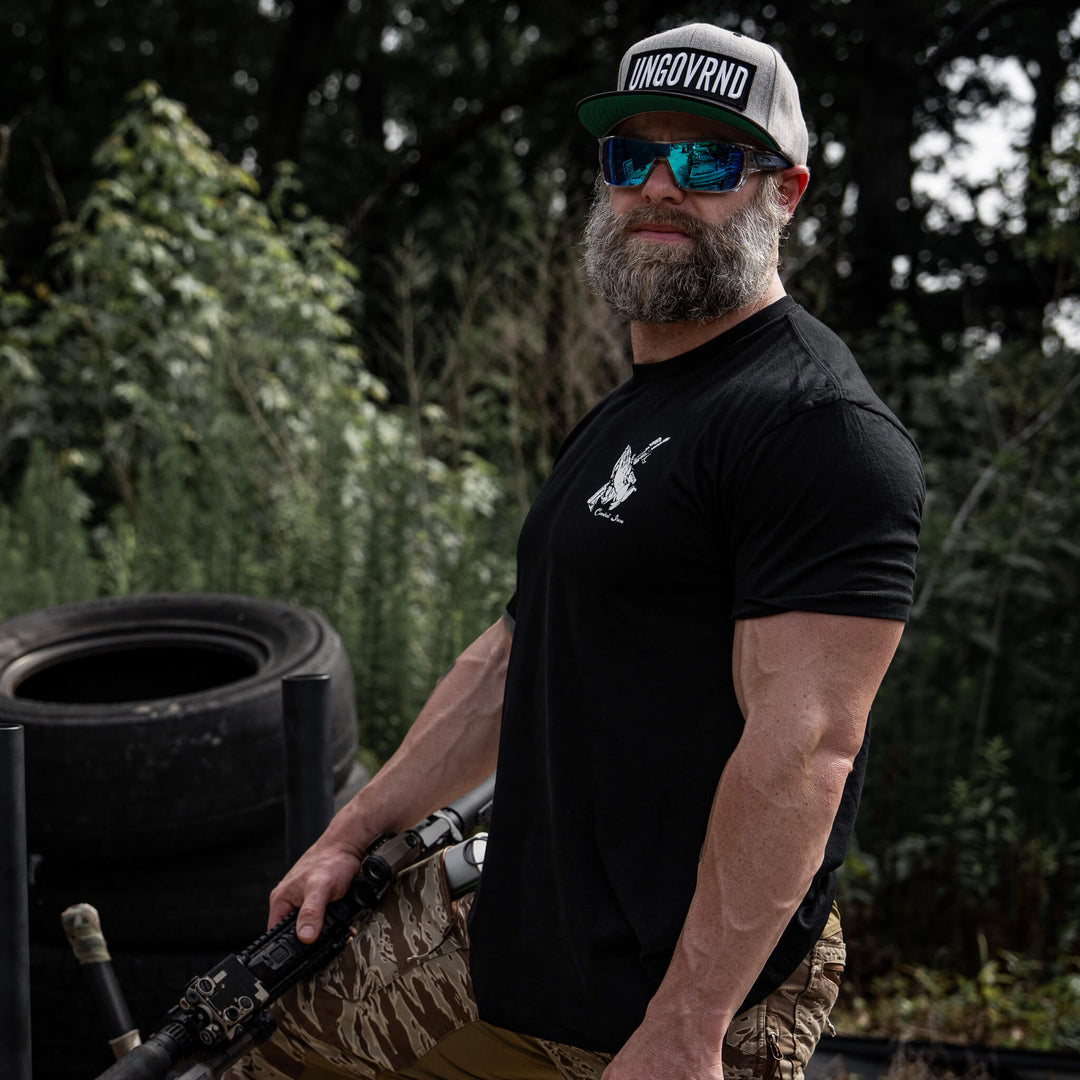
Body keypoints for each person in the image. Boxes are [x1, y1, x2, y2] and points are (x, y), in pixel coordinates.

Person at [226, 20, 924, 1080]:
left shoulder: (819, 429)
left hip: (671, 992)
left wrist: (687, 1025)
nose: (661, 187)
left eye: (708, 162)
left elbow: (806, 753)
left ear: (786, 193)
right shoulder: (633, 411)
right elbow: (517, 649)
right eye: (632, 157)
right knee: (255, 1046)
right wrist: (350, 834)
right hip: (527, 934)